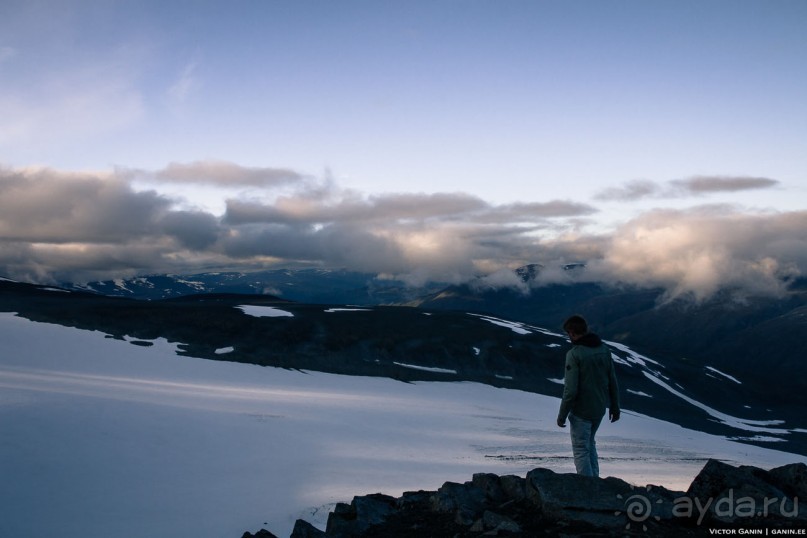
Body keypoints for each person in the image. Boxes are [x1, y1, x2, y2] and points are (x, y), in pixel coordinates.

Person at [556, 315, 620, 477]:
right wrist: (615, 406)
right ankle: (595, 482)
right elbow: (612, 380)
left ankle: (588, 489)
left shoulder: (574, 354)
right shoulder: (604, 349)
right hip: (599, 408)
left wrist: (562, 415)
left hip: (581, 411)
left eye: (568, 333)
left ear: (571, 333)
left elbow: (570, 390)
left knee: (580, 450)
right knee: (590, 444)